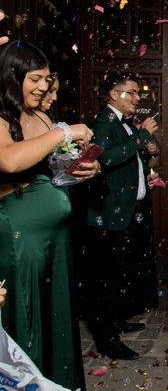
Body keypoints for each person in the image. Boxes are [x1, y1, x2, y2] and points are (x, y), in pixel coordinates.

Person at [0, 40, 98, 390]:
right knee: (27, 318)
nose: (43, 87)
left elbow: (53, 165)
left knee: (54, 317)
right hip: (19, 239)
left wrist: (84, 168)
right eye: (35, 79)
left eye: (46, 79)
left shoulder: (40, 116)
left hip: (55, 239)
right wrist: (64, 131)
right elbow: (9, 160)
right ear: (13, 75)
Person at [76, 72, 161, 360]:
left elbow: (127, 162)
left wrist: (145, 157)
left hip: (127, 211)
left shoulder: (125, 124)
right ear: (114, 94)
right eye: (132, 93)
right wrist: (143, 136)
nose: (137, 98)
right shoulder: (103, 121)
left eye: (138, 93)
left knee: (121, 272)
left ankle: (116, 320)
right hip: (108, 214)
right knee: (106, 277)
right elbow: (103, 159)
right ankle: (106, 338)